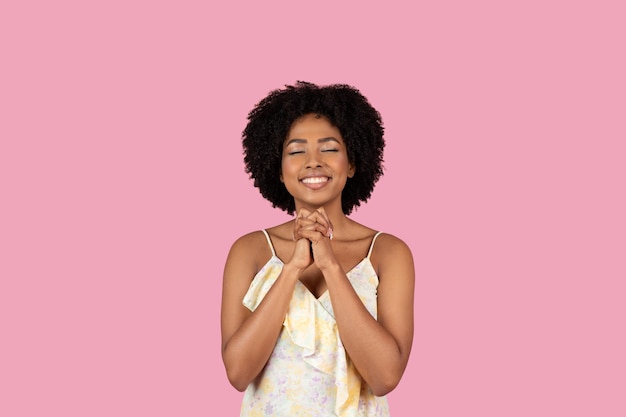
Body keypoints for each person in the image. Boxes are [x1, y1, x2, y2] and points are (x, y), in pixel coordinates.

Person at [221, 81, 415, 417]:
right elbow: (238, 373)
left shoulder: (388, 253)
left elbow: (384, 377)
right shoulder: (250, 250)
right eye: (296, 151)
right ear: (278, 170)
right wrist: (292, 268)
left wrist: (330, 266)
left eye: (329, 149)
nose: (313, 162)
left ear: (352, 163)